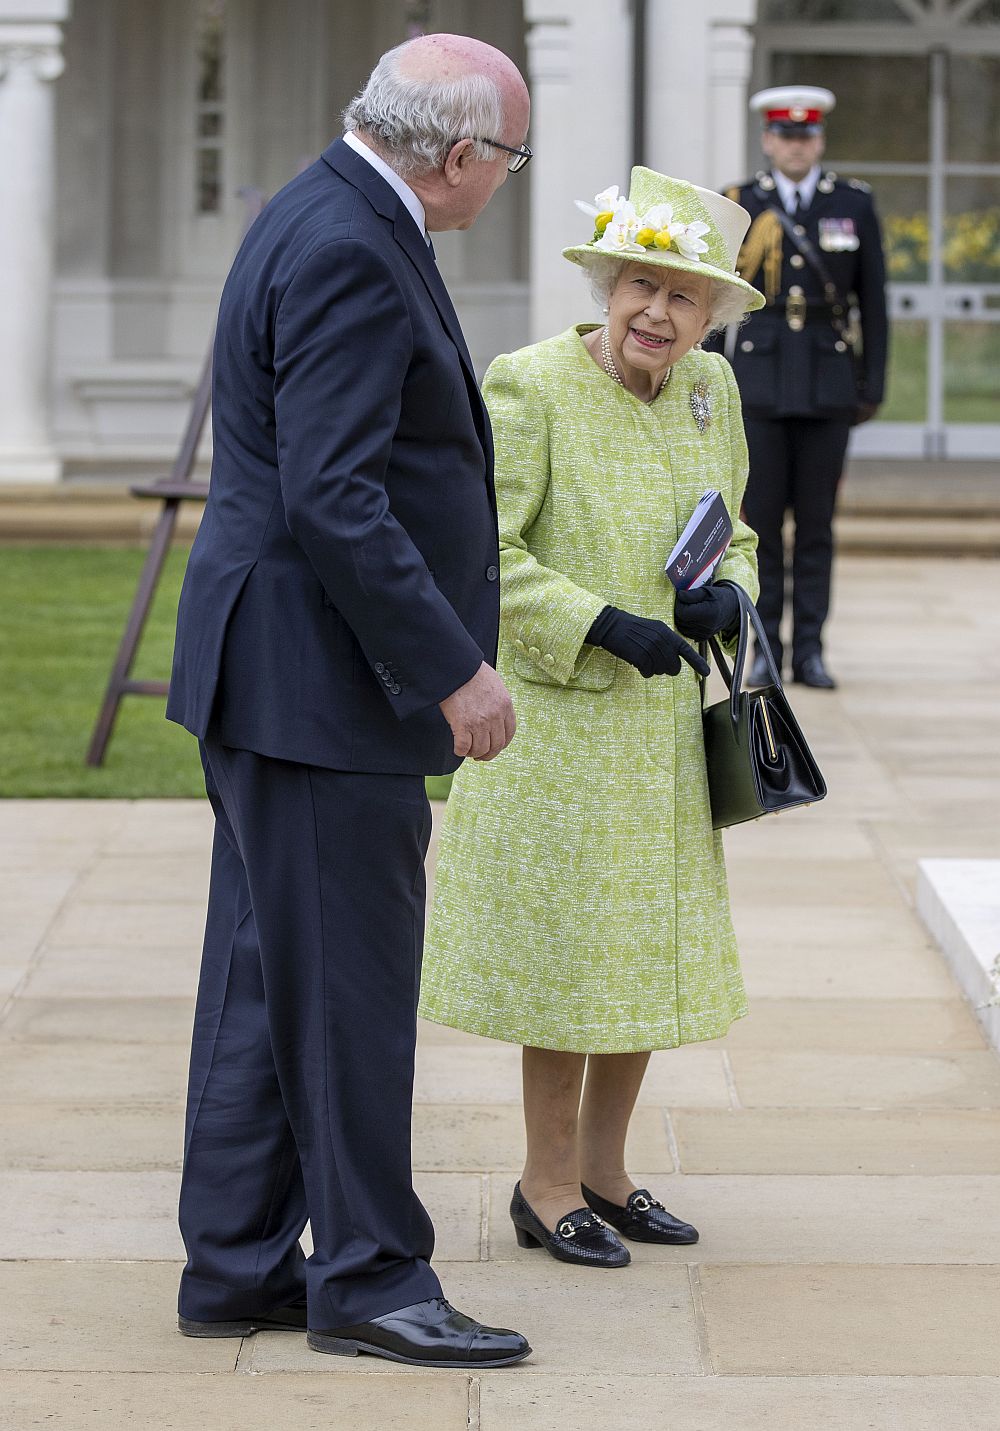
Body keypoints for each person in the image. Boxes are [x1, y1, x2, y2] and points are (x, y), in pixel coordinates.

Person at [165, 34, 532, 1368]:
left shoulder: (319, 204)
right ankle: (372, 1275)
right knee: (350, 995)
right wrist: (453, 668)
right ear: (455, 155)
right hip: (318, 681)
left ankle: (239, 1262)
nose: (503, 177)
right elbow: (336, 493)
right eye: (506, 155)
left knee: (271, 983)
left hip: (279, 673)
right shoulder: (348, 243)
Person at [418, 168, 762, 1266]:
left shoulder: (712, 389)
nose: (658, 315)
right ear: (608, 283)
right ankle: (544, 1182)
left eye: (684, 298)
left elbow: (735, 529)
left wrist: (732, 593)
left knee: (643, 960)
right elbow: (485, 554)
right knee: (569, 966)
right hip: (561, 731)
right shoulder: (529, 385)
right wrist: (598, 621)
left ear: (710, 316)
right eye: (641, 289)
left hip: (664, 740)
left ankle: (609, 1176)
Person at [705, 86, 888, 689]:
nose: (795, 145)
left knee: (816, 526)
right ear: (767, 140)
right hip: (758, 382)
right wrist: (700, 378)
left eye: (806, 136)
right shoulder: (741, 202)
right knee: (758, 528)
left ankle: (810, 648)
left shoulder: (853, 204)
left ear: (820, 141)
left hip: (829, 383)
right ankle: (765, 647)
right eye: (785, 135)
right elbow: (716, 294)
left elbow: (875, 303)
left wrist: (872, 384)